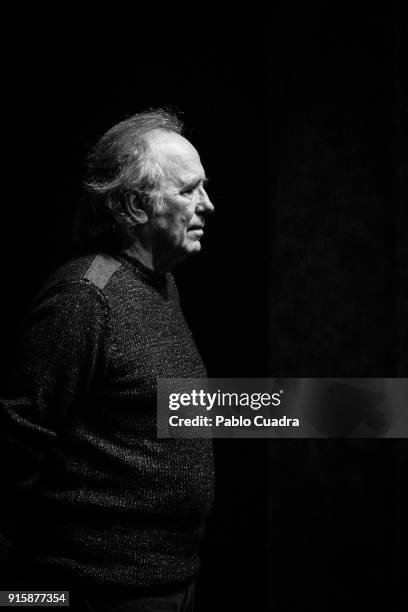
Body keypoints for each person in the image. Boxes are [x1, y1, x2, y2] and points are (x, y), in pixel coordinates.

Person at [1, 109, 215, 611]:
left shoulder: (161, 285)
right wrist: (26, 594)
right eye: (188, 191)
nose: (207, 204)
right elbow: (14, 440)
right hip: (96, 592)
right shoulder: (84, 296)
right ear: (135, 206)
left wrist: (350, 410)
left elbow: (163, 409)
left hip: (172, 582)